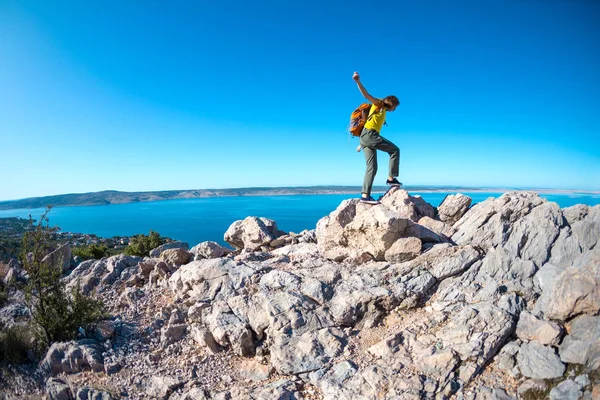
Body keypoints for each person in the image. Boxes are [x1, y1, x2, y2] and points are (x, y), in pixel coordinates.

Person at [352, 71, 401, 204]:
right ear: (391, 103)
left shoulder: (381, 111)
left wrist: (361, 143)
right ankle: (391, 178)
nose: (394, 110)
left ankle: (365, 195)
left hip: (365, 138)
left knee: (372, 167)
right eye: (394, 107)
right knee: (395, 150)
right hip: (369, 136)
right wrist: (357, 81)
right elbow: (366, 95)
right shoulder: (378, 104)